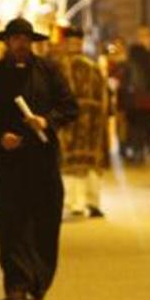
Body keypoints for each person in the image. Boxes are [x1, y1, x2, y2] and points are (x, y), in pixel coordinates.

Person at [0, 18, 79, 300]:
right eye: (15, 39)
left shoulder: (49, 71)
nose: (20, 44)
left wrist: (47, 121)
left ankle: (40, 279)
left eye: (25, 39)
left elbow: (69, 107)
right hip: (10, 161)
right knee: (12, 222)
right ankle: (16, 283)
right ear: (7, 42)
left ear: (31, 41)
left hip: (43, 158)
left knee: (46, 219)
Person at [55, 27, 110, 219]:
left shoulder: (61, 67)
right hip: (88, 122)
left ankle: (78, 203)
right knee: (86, 163)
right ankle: (89, 202)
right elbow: (105, 97)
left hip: (75, 121)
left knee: (73, 163)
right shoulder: (92, 66)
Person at [121, 27, 150, 162]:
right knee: (138, 124)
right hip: (139, 95)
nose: (146, 38)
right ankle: (137, 150)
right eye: (143, 36)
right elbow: (130, 74)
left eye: (148, 35)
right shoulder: (134, 53)